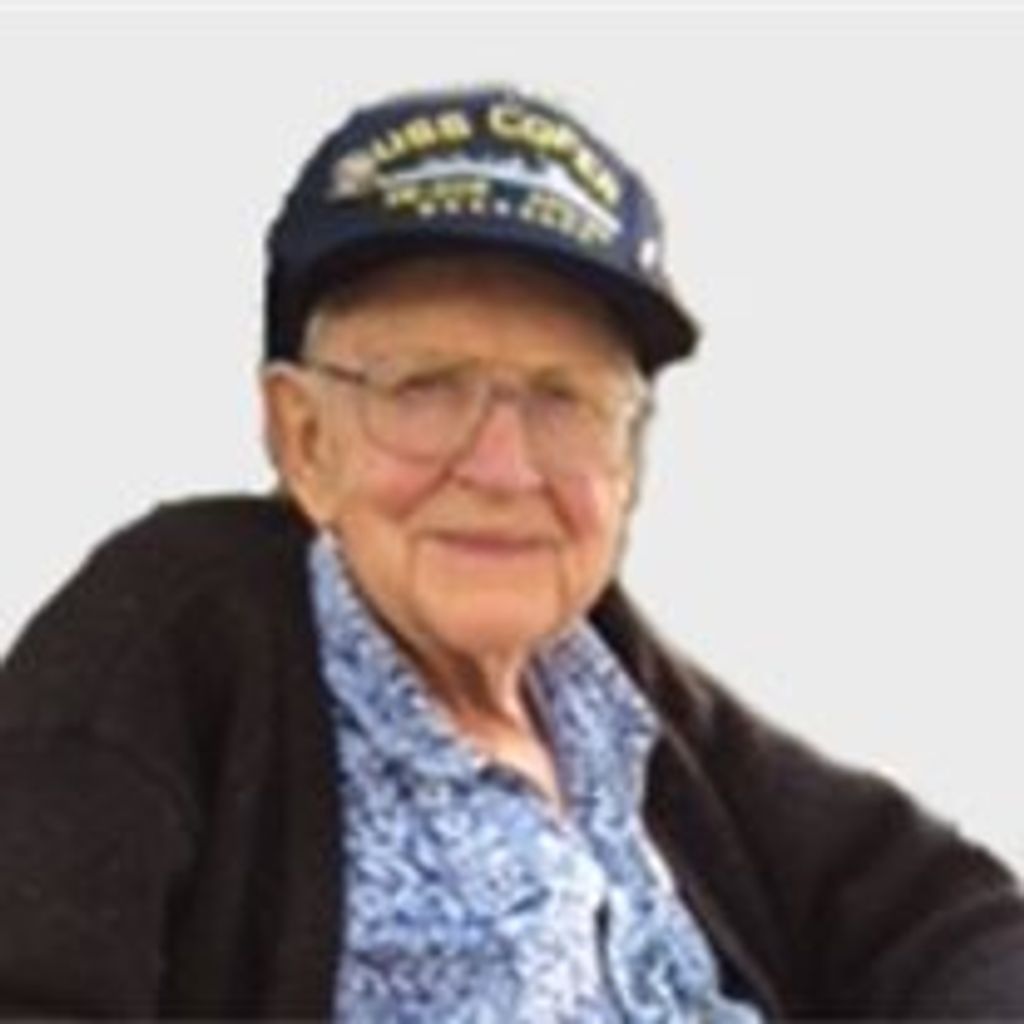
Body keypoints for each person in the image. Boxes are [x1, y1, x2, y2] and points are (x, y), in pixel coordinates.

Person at [2, 84, 1022, 1021]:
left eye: (563, 399)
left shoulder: (599, 672)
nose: (503, 466)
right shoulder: (178, 629)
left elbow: (940, 910)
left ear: (628, 455)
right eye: (424, 388)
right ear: (302, 437)